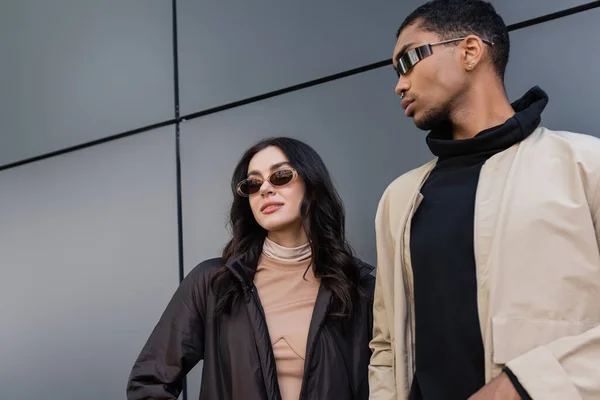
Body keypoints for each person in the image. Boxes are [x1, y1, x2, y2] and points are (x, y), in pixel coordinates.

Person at [368, 0, 600, 399]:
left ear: (470, 51)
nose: (399, 84)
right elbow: (387, 346)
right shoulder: (400, 200)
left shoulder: (586, 165)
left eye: (407, 61)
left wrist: (527, 384)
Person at [126, 137, 375, 399]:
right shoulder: (216, 283)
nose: (265, 189)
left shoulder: (357, 288)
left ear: (311, 186)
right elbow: (149, 382)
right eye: (253, 183)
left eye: (280, 176)